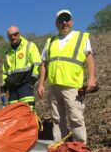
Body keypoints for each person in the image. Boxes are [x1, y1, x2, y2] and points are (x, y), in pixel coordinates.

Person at [37, 9, 97, 144]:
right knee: (57, 119)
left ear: (72, 21)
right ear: (56, 23)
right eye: (61, 20)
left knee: (76, 118)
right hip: (54, 87)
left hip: (73, 85)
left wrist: (91, 77)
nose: (64, 23)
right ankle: (59, 147)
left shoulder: (81, 38)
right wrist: (41, 84)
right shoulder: (50, 41)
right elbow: (44, 64)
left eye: (67, 19)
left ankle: (80, 148)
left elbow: (89, 58)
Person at [1, 26, 41, 110]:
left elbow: (37, 64)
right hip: (12, 88)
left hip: (26, 85)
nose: (13, 37)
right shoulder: (7, 53)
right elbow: (5, 72)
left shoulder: (29, 46)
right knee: (14, 114)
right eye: (10, 35)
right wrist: (5, 86)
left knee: (27, 112)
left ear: (19, 34)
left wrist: (32, 81)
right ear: (8, 37)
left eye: (15, 34)